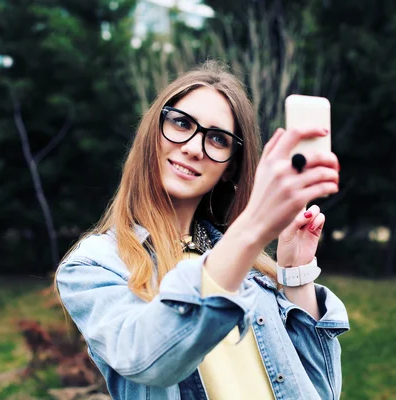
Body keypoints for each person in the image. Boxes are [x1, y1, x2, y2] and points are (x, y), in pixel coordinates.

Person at [56, 61, 349, 400]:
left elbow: (321, 392)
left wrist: (295, 272)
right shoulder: (94, 266)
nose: (194, 148)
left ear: (230, 168)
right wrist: (253, 227)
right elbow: (149, 360)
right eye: (181, 123)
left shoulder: (251, 273)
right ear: (153, 131)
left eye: (218, 139)